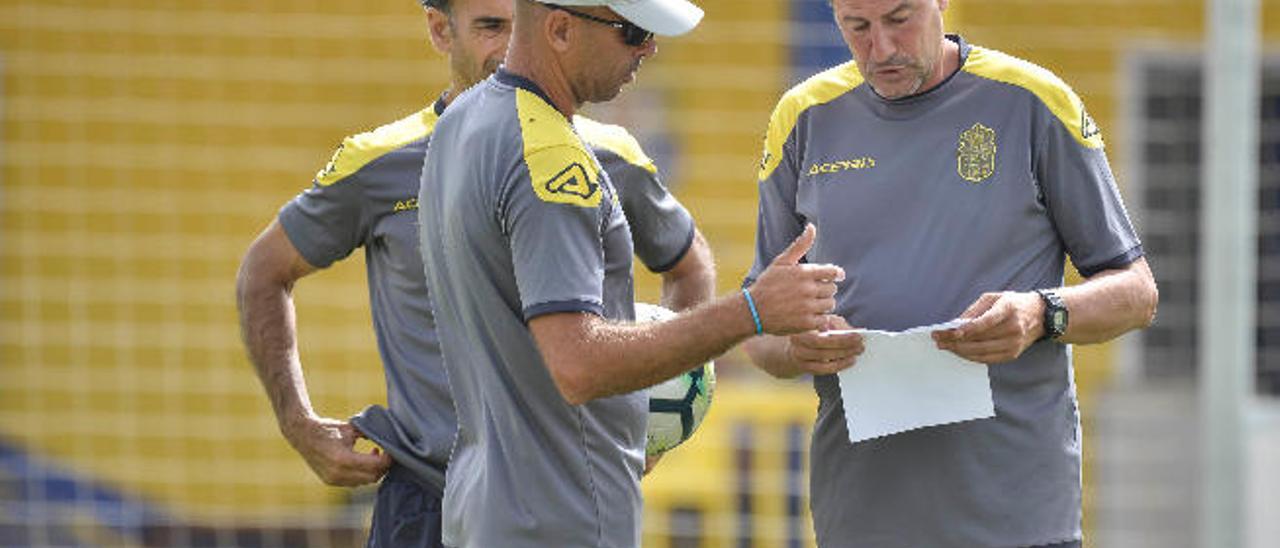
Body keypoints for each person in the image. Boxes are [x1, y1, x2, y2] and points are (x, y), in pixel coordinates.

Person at [234, 0, 718, 545]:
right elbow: (264, 272)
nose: (511, 45)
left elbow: (689, 263)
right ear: (442, 31)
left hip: (551, 499)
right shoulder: (383, 160)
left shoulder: (604, 156)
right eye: (491, 27)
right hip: (424, 496)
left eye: (519, 26)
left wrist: (657, 414)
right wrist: (298, 422)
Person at [415, 0, 849, 545]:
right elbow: (577, 364)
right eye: (631, 32)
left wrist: (657, 416)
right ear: (560, 28)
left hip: (479, 512)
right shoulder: (550, 161)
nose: (649, 48)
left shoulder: (460, 122)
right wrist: (753, 311)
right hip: (560, 522)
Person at [742, 0, 1159, 546]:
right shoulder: (802, 117)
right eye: (858, 27)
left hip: (1017, 519)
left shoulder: (1033, 102)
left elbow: (1137, 292)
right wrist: (798, 349)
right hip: (862, 518)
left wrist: (1041, 313)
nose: (882, 48)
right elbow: (756, 325)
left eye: (899, 19)